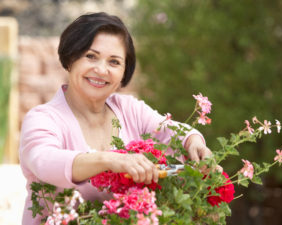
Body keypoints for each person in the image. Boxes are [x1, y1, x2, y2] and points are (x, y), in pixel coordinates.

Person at [19, 12, 212, 225]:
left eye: (114, 62)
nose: (101, 70)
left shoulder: (129, 109)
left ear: (123, 72)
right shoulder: (42, 119)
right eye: (90, 56)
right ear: (70, 58)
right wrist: (111, 159)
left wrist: (194, 142)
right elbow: (45, 162)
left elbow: (171, 131)